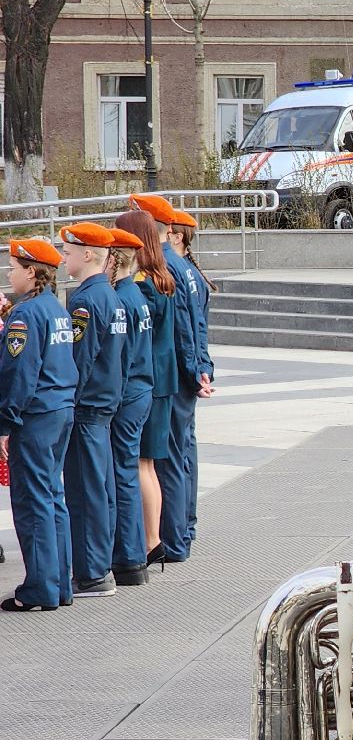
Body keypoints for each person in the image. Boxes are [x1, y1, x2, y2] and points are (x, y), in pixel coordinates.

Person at [132, 194, 213, 565]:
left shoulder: (167, 266)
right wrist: (202, 367)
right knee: (182, 455)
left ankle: (175, 539)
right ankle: (184, 530)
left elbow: (183, 328)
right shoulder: (183, 266)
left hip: (175, 377)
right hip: (186, 373)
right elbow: (198, 326)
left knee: (170, 460)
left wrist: (195, 371)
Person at [0, 237, 77, 611]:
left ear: (31, 272)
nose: (8, 274)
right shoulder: (54, 308)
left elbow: (19, 374)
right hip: (59, 409)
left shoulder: (25, 315)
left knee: (32, 502)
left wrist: (5, 422)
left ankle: (40, 588)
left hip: (35, 416)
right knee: (52, 497)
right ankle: (59, 584)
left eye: (13, 268)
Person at [56, 223, 128, 599]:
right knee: (100, 490)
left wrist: (68, 402)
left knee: (85, 494)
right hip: (103, 406)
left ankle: (91, 573)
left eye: (68, 252)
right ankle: (99, 567)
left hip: (87, 409)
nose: (62, 258)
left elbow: (79, 361)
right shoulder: (109, 296)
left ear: (87, 255)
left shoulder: (86, 301)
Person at [119, 208, 177, 564]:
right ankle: (153, 539)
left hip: (149, 383)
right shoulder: (161, 278)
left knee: (142, 464)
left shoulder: (143, 284)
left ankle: (151, 540)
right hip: (162, 381)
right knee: (149, 465)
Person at [107, 227, 155, 588]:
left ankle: (129, 556)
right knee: (128, 470)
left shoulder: (122, 299)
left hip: (127, 396)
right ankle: (133, 554)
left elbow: (118, 359)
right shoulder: (134, 294)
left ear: (114, 260)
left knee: (123, 474)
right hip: (140, 391)